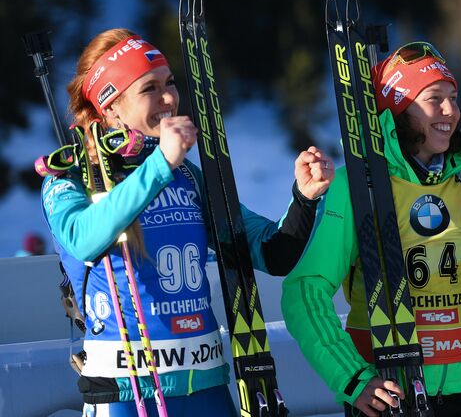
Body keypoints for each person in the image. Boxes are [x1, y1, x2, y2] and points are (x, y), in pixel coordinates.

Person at [41, 29, 335, 416]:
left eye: (170, 83)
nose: (169, 98)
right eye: (150, 88)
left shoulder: (187, 176)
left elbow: (271, 253)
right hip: (128, 395)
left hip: (206, 385)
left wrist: (304, 198)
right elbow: (82, 239)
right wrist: (160, 164)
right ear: (111, 106)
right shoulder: (69, 180)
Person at [282, 41, 461, 417]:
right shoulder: (354, 186)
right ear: (400, 108)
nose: (450, 111)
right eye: (434, 99)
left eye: (454, 98)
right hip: (390, 389)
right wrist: (351, 377)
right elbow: (304, 292)